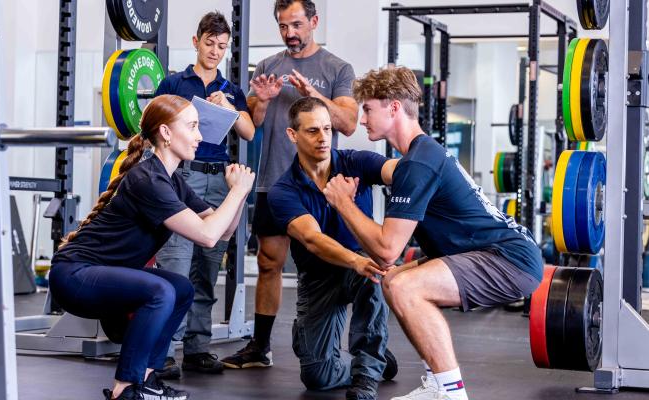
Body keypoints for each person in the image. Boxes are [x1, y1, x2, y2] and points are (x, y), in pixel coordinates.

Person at [322, 66, 543, 400]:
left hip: (508, 259)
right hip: (493, 252)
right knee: (394, 281)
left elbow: (386, 249)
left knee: (405, 286)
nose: (362, 119)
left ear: (393, 107)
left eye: (367, 109)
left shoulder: (418, 163)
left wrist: (342, 202)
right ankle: (438, 384)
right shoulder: (419, 156)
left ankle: (450, 392)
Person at [50, 95, 255, 400]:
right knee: (162, 291)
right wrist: (237, 192)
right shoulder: (148, 179)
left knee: (181, 288)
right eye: (192, 127)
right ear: (166, 133)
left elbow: (223, 232)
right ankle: (125, 389)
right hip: (75, 275)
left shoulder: (172, 181)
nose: (200, 136)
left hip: (104, 273)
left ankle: (146, 379)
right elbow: (207, 236)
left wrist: (237, 196)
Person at [222, 0, 359, 369]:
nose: (290, 34)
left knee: (332, 264)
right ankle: (260, 347)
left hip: (319, 186)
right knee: (269, 262)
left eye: (297, 24)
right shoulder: (268, 67)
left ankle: (363, 348)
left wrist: (314, 97)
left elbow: (348, 123)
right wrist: (262, 102)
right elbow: (251, 125)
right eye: (283, 26)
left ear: (313, 21)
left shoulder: (337, 68)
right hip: (273, 181)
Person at [269, 97, 396, 399]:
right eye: (312, 131)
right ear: (292, 135)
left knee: (373, 273)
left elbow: (398, 171)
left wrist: (418, 164)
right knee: (318, 377)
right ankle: (373, 361)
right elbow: (312, 239)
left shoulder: (355, 163)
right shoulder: (282, 191)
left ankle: (366, 374)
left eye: (327, 129)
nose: (323, 138)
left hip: (361, 269)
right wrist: (353, 260)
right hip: (318, 278)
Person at [152, 11, 255, 379]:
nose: (215, 51)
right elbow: (152, 127)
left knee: (207, 270)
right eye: (209, 43)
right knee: (176, 266)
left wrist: (228, 107)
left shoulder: (232, 89)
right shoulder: (175, 83)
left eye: (222, 46)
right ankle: (161, 353)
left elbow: (248, 132)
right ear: (196, 42)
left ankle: (197, 348)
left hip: (218, 181)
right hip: (183, 178)